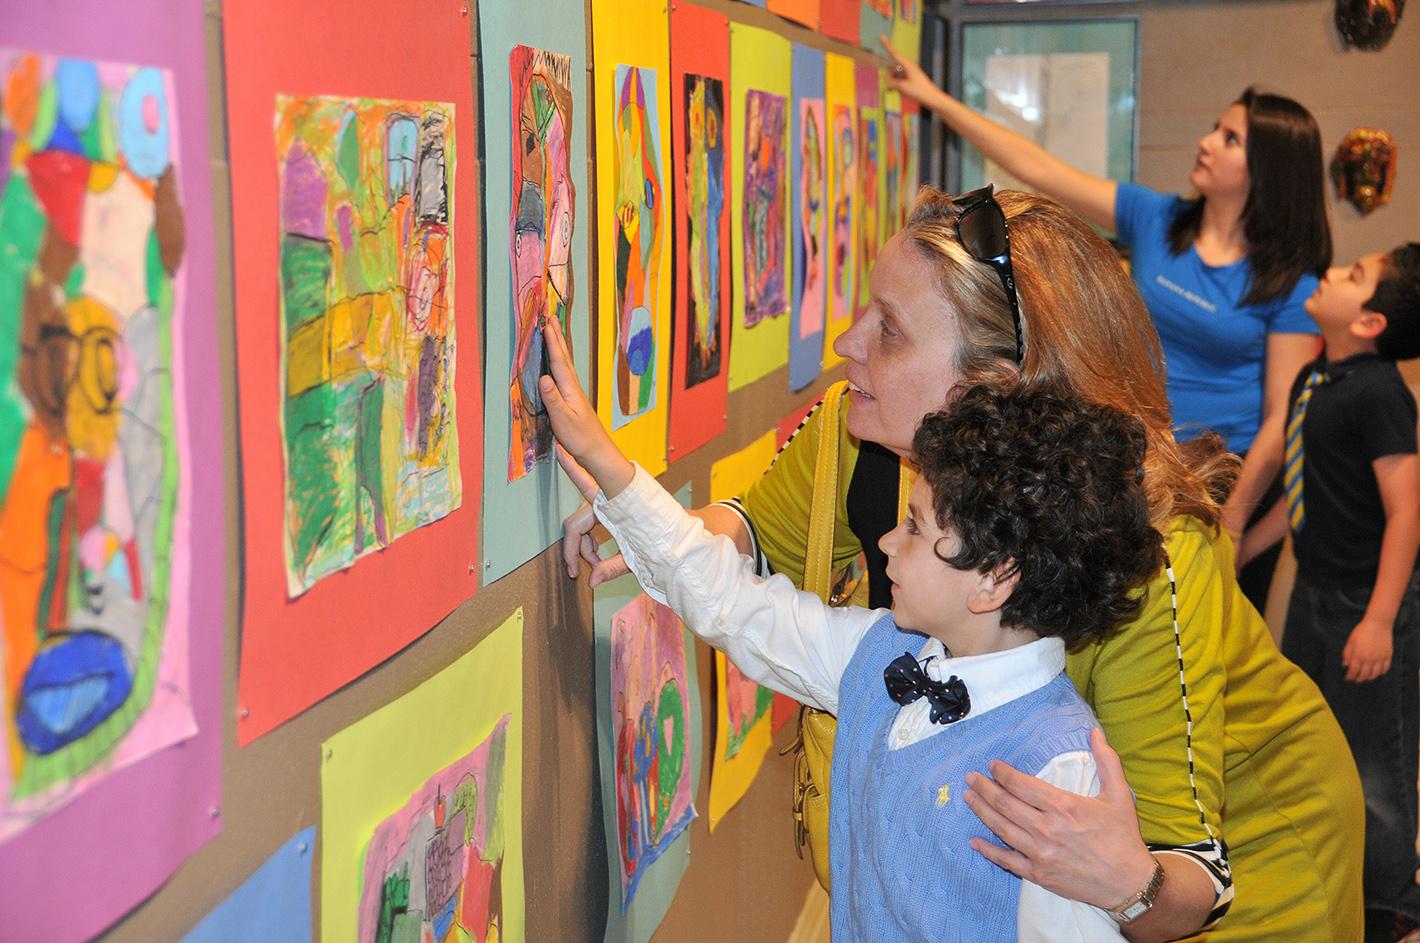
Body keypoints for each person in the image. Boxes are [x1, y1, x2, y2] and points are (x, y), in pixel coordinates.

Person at [563, 186, 1363, 940]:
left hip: (1236, 868)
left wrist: (1130, 883)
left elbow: (1190, 868)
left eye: (891, 328)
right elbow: (749, 537)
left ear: (993, 384)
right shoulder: (864, 431)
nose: (849, 344)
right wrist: (628, 513)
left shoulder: (1150, 556)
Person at [544, 306, 1156, 939]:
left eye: (916, 528)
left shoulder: (1056, 768)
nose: (887, 543)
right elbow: (734, 605)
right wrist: (612, 472)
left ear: (994, 578)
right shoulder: (880, 654)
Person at [881, 40, 1331, 610]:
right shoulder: (1158, 219)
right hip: (1142, 458)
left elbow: (1278, 422)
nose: (1206, 141)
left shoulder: (1291, 283)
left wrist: (1235, 523)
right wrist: (931, 96)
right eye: (1216, 128)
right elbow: (1035, 165)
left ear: (1269, 169)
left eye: (1230, 138)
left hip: (1228, 485)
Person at [1239, 243, 1420, 940]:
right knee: (1314, 737)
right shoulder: (1317, 375)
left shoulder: (1379, 395)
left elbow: (1406, 510)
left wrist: (1377, 621)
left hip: (1365, 605)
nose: (1333, 272)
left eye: (1353, 276)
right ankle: (1335, 870)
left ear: (1370, 322)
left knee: (1377, 760)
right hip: (1315, 594)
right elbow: (1301, 488)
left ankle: (1395, 902)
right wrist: (1244, 546)